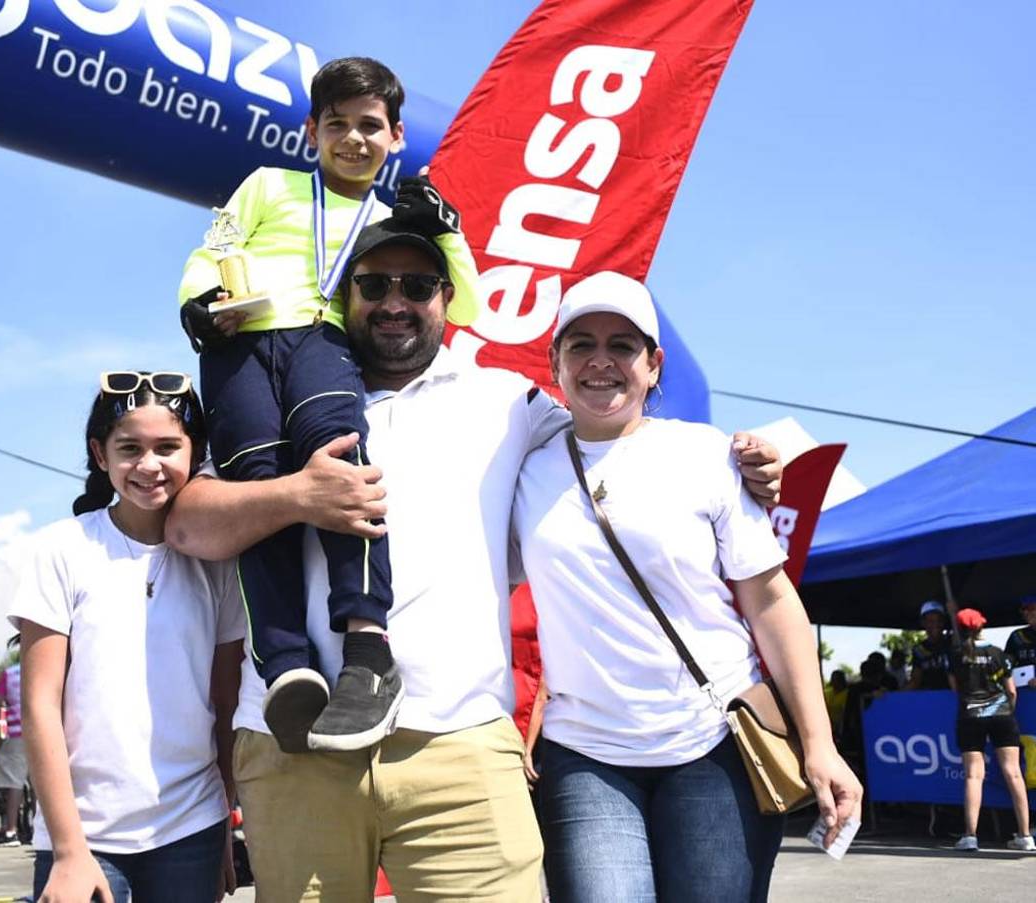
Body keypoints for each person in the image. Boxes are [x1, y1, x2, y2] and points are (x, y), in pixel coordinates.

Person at [166, 216, 785, 901]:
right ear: (344, 296)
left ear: (447, 297)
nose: (396, 300)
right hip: (295, 743)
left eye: (419, 284)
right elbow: (190, 527)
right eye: (374, 284)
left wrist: (741, 458)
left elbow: (618, 439)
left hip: (461, 749)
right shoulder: (279, 395)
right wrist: (296, 495)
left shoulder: (506, 401)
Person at [511, 278, 861, 902]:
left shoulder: (706, 455)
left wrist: (820, 745)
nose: (601, 360)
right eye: (581, 344)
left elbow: (773, 602)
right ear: (554, 361)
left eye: (623, 345)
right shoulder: (522, 468)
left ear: (653, 365)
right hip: (583, 753)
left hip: (715, 742)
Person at [176, 56, 480, 754]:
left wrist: (450, 230)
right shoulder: (267, 185)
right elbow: (213, 247)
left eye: (369, 126)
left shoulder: (395, 216)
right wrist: (195, 302)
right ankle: (284, 666)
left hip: (325, 338)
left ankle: (367, 645)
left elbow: (466, 301)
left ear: (397, 136)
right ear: (310, 130)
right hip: (240, 341)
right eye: (336, 124)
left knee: (341, 452)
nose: (353, 139)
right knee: (258, 483)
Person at [11, 371, 245, 903]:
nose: (148, 465)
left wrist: (224, 828)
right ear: (100, 454)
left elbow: (226, 704)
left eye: (168, 447)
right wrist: (69, 851)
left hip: (192, 829)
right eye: (129, 448)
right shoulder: (62, 548)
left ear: (197, 451)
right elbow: (40, 705)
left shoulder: (219, 563)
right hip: (83, 836)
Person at [948, 608, 1034, 852]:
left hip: (970, 716)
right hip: (1002, 715)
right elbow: (1012, 691)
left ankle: (970, 836)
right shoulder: (1000, 654)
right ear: (982, 626)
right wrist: (1005, 710)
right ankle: (1026, 836)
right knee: (1014, 774)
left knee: (974, 775)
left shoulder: (955, 655)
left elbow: (955, 688)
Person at [0, 637, 26, 846]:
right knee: (43, 784)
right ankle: (42, 828)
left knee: (14, 783)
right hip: (45, 734)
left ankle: (11, 830)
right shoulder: (51, 668)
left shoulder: (10, 673)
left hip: (16, 736)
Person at [907, 600, 954, 689]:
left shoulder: (952, 642)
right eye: (930, 621)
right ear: (923, 623)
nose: (935, 624)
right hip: (929, 699)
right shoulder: (919, 650)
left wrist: (954, 615)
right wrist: (889, 695)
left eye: (939, 620)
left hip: (952, 698)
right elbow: (915, 681)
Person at [1003, 594, 1036, 686]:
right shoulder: (1017, 636)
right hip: (1024, 691)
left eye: (1031, 608)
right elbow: (1006, 663)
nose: (1026, 613)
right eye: (1023, 609)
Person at [824, 669, 849, 740]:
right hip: (827, 726)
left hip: (842, 727)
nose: (835, 682)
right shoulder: (826, 693)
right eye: (833, 679)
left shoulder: (847, 694)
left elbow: (845, 713)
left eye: (837, 679)